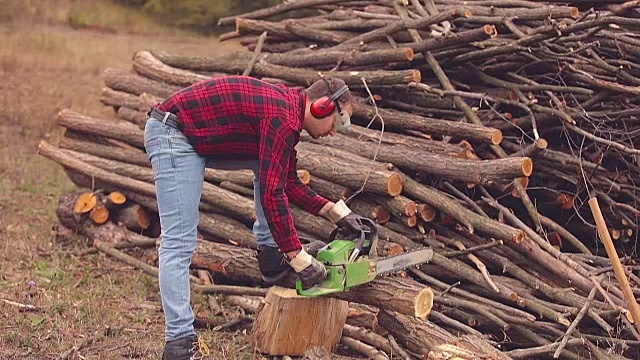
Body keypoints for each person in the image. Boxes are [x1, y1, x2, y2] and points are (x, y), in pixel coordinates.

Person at [143, 75, 367, 360]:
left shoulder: (287, 115)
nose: (334, 131)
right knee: (178, 243)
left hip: (196, 134)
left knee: (267, 167)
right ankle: (179, 344)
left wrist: (334, 212)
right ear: (322, 106)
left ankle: (271, 256)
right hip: (174, 133)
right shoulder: (283, 119)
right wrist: (297, 256)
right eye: (340, 121)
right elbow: (272, 195)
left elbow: (286, 180)